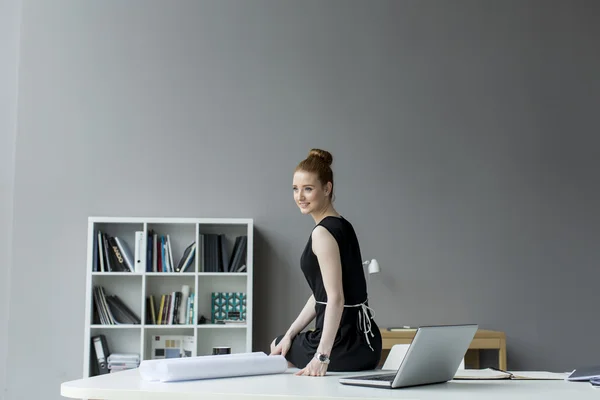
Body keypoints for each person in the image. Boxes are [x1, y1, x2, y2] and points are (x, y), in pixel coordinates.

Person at [270, 148, 382, 377]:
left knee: (276, 345)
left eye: (308, 189)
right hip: (368, 345)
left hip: (342, 346)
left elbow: (336, 298)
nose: (300, 196)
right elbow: (321, 294)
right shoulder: (343, 225)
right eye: (295, 189)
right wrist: (291, 333)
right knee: (285, 341)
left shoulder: (322, 234)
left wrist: (322, 357)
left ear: (327, 188)